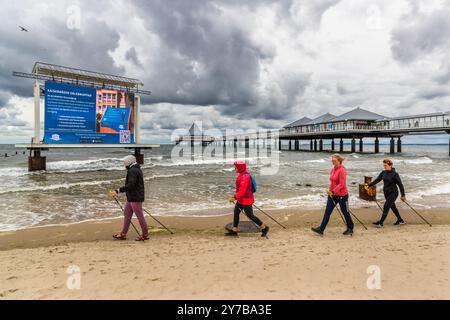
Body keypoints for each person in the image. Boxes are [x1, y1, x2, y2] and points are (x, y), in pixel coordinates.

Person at [311, 154, 354, 236]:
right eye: (332, 160)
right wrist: (329, 190)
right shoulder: (333, 169)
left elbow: (342, 184)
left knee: (345, 212)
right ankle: (321, 229)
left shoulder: (342, 170)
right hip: (332, 195)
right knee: (327, 212)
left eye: (334, 161)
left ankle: (350, 228)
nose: (332, 162)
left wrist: (333, 191)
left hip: (342, 196)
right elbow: (332, 182)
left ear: (339, 161)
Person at [226, 160, 269, 237]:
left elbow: (243, 190)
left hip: (246, 199)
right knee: (236, 212)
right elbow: (240, 190)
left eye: (236, 167)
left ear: (240, 168)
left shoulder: (245, 176)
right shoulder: (241, 174)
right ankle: (234, 230)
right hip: (241, 198)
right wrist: (236, 197)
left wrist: (234, 197)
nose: (234, 169)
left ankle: (264, 227)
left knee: (250, 215)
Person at [110, 155, 148, 241]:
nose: (124, 164)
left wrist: (117, 191)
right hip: (132, 197)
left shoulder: (133, 170)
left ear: (128, 162)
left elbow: (131, 185)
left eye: (124, 162)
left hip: (135, 197)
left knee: (140, 216)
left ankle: (145, 235)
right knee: (127, 215)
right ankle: (123, 234)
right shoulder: (135, 169)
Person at [365, 159, 406, 227]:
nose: (384, 167)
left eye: (386, 165)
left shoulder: (395, 174)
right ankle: (400, 220)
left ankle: (380, 223)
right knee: (393, 207)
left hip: (393, 193)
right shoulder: (383, 172)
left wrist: (403, 195)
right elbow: (377, 180)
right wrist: (369, 185)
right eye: (384, 165)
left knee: (386, 206)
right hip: (386, 193)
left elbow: (400, 185)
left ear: (391, 165)